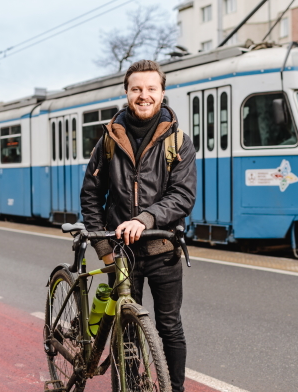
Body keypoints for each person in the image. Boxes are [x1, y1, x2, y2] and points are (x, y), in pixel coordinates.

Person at [80, 59, 197, 392]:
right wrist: (103, 249)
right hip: (121, 254)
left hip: (162, 248)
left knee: (170, 327)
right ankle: (129, 386)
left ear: (162, 92)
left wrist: (144, 219)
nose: (143, 95)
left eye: (150, 89)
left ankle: (174, 389)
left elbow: (182, 197)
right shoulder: (108, 141)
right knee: (126, 330)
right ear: (127, 92)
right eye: (136, 89)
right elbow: (90, 195)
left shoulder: (179, 142)